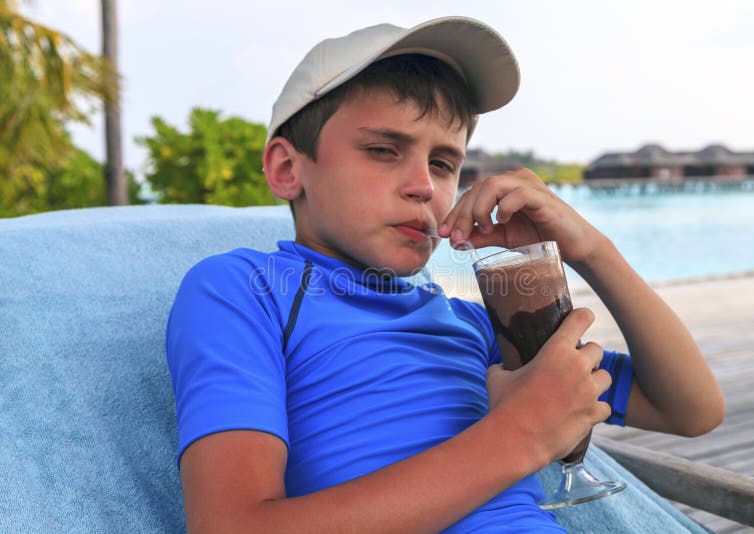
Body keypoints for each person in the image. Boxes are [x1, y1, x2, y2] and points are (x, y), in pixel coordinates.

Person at [166, 16, 725, 533]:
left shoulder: (473, 327)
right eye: (384, 149)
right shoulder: (246, 290)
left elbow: (691, 408)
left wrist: (592, 249)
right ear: (288, 169)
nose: (424, 186)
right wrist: (518, 435)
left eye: (443, 163)